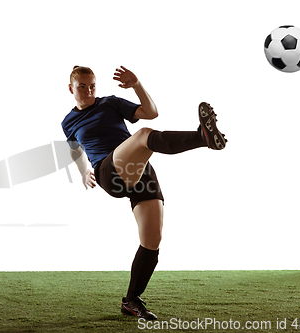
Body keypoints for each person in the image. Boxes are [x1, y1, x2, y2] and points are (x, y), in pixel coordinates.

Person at [61, 65, 226, 320]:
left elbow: (151, 112)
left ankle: (131, 301)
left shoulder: (111, 103)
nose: (88, 90)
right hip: (109, 171)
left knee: (152, 240)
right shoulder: (68, 122)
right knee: (143, 136)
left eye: (92, 85)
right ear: (70, 88)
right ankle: (202, 137)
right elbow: (74, 148)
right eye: (82, 86)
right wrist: (83, 171)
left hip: (141, 171)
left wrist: (137, 84)